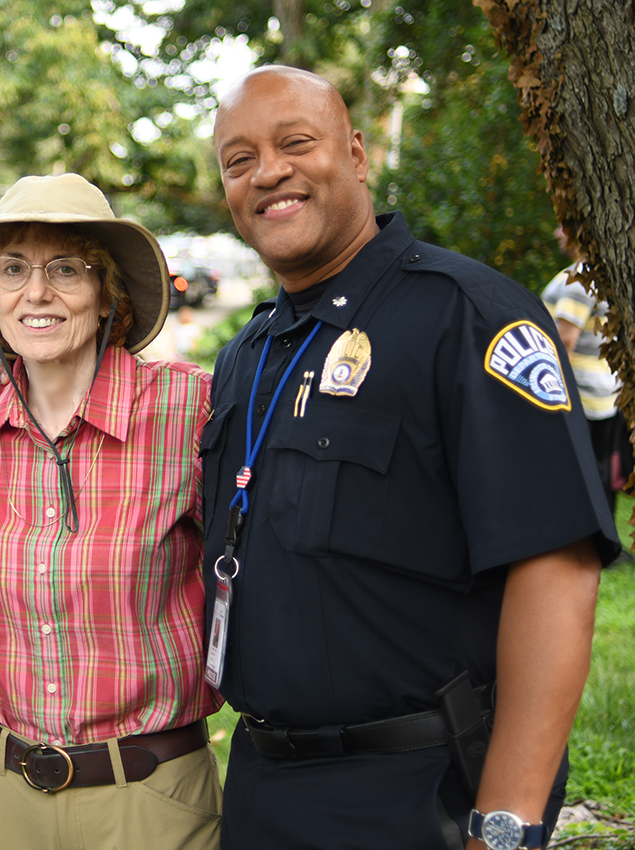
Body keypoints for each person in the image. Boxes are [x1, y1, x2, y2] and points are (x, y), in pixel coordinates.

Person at [201, 65, 617, 850]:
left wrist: (505, 824)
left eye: (295, 143)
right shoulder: (245, 357)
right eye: (238, 159)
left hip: (415, 794)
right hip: (262, 786)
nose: (269, 172)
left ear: (356, 154)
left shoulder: (468, 319)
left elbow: (555, 571)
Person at [0, 173, 224, 850]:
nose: (36, 291)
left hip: (151, 795)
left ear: (106, 290)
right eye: (12, 269)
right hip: (6, 793)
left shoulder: (186, 410)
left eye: (65, 268)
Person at [541, 228, 632, 518]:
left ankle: (586, 540)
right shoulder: (600, 271)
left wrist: (555, 391)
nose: (557, 233)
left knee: (581, 468)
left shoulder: (580, 277)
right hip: (603, 390)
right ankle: (605, 541)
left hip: (578, 390)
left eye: (563, 226)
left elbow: (564, 340)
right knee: (600, 467)